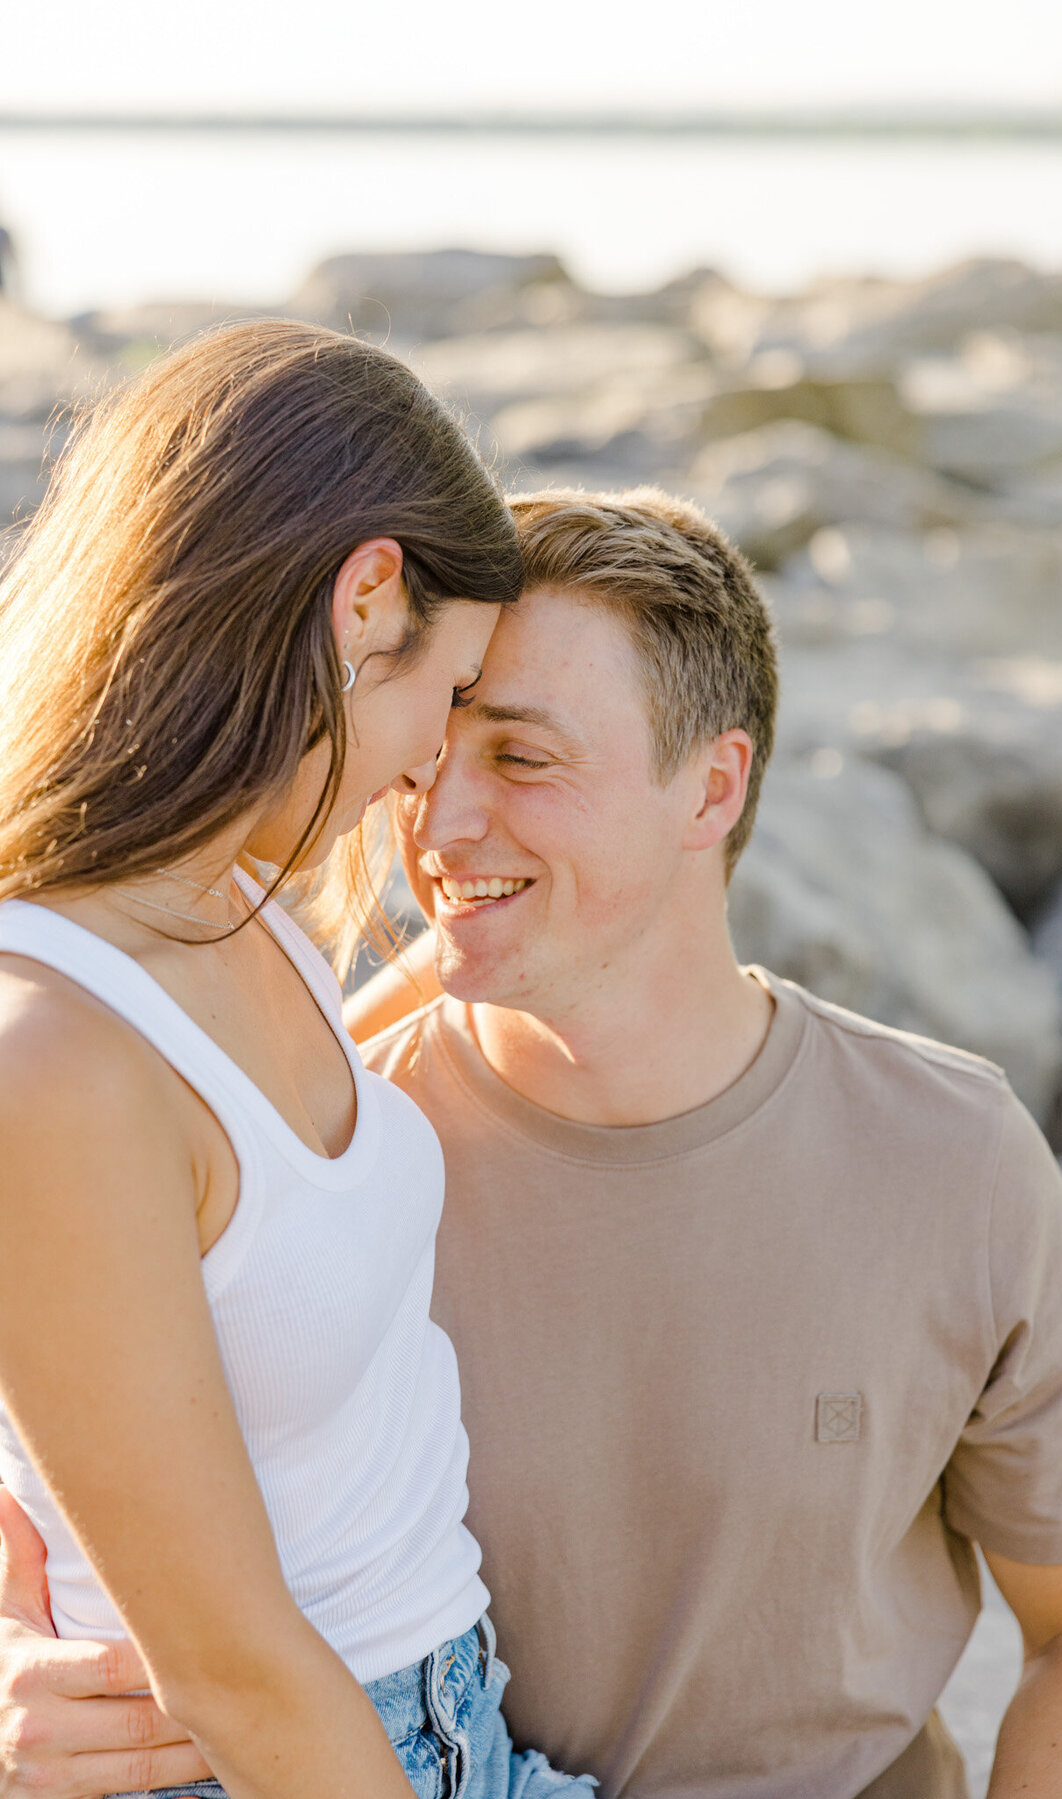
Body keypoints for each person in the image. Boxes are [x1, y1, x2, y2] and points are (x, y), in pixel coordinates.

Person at [0, 486, 1062, 1798]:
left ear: (713, 787)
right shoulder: (327, 1165)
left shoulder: (951, 1153)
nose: (437, 824)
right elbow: (62, 1476)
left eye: (520, 758)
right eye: (434, 748)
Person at [0, 325, 597, 1799]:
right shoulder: (60, 1054)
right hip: (280, 1764)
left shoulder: (248, 900)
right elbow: (236, 1669)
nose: (435, 767)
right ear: (364, 598)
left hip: (461, 1719)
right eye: (448, 695)